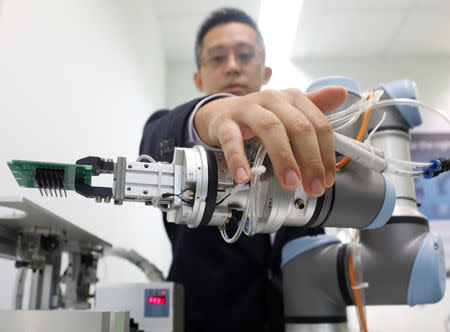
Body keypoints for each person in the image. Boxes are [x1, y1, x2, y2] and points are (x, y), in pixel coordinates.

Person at [139, 8, 347, 332]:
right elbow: (156, 140)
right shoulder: (174, 130)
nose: (233, 66)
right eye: (218, 58)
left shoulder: (302, 144)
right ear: (199, 78)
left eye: (245, 55)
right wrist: (211, 114)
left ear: (265, 72)